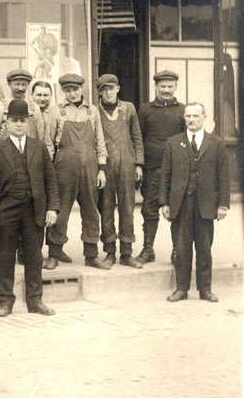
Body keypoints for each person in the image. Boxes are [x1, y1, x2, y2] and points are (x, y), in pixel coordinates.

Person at [0, 99, 59, 317]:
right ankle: (6, 301)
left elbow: (50, 181)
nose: (18, 125)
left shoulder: (39, 147)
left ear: (28, 122)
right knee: (5, 257)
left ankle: (35, 301)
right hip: (6, 212)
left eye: (22, 121)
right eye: (14, 121)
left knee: (34, 257)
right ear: (6, 123)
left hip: (33, 211)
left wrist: (52, 208)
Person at [159, 103, 229, 303]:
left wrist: (222, 205)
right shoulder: (173, 143)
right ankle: (181, 289)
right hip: (181, 204)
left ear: (204, 117)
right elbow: (165, 175)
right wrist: (164, 203)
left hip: (206, 205)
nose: (191, 120)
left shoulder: (216, 143)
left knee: (204, 249)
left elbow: (223, 176)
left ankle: (205, 290)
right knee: (181, 249)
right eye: (188, 116)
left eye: (196, 116)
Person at [44, 74, 110, 271]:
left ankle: (91, 254)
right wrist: (50, 172)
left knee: (91, 210)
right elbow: (48, 143)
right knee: (60, 210)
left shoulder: (93, 112)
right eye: (67, 90)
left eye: (75, 90)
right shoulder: (57, 111)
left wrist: (101, 170)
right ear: (63, 91)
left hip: (90, 165)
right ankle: (54, 254)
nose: (72, 94)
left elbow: (100, 141)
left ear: (82, 89)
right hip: (64, 166)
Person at [96, 74, 145, 268]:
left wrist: (138, 164)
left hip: (127, 163)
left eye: (111, 88)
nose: (108, 92)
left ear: (118, 88)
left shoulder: (129, 108)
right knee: (106, 208)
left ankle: (126, 252)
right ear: (100, 91)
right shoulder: (94, 111)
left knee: (127, 207)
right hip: (105, 165)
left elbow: (137, 137)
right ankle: (109, 252)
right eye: (104, 89)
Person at [138, 69, 185, 265]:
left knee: (177, 210)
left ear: (175, 87)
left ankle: (177, 251)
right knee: (149, 209)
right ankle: (148, 250)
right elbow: (138, 139)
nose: (166, 90)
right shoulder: (145, 109)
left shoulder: (184, 110)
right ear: (156, 87)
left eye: (170, 86)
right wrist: (139, 165)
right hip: (152, 169)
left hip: (177, 170)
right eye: (162, 86)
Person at [0, 69, 52, 157]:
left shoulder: (34, 108)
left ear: (28, 85)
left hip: (31, 157)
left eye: (24, 84)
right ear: (9, 84)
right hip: (7, 157)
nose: (20, 88)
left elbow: (41, 138)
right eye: (17, 84)